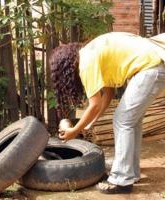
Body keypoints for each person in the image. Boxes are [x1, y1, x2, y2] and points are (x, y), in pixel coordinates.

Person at [49, 32, 165, 194]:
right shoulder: (93, 53)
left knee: (123, 121)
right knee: (131, 121)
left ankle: (121, 180)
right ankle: (131, 172)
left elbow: (94, 104)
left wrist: (74, 131)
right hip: (155, 63)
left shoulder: (86, 62)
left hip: (150, 68)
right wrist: (91, 122)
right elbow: (108, 94)